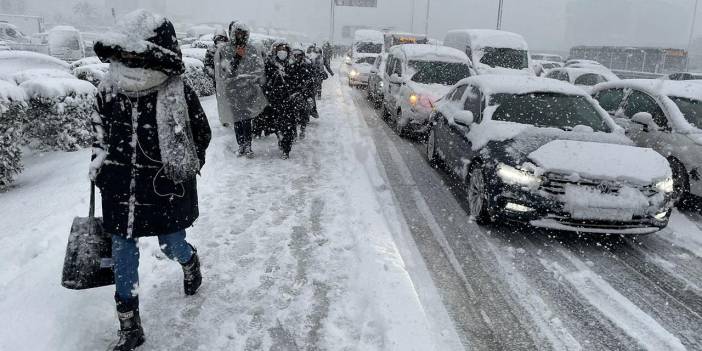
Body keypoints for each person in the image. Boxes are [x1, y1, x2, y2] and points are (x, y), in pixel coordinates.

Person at [91, 10, 211, 351]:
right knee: (123, 254)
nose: (130, 61)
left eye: (136, 55)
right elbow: (98, 133)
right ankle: (129, 326)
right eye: (125, 55)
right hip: (120, 189)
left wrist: (182, 167)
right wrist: (100, 166)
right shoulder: (109, 89)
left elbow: (200, 134)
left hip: (164, 188)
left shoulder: (176, 91)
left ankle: (189, 261)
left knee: (170, 244)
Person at [214, 22, 268, 158]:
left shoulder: (252, 49)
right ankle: (241, 145)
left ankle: (248, 146)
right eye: (238, 33)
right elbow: (224, 71)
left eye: (243, 34)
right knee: (237, 119)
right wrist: (237, 58)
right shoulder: (225, 50)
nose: (240, 36)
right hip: (232, 91)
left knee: (246, 119)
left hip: (248, 90)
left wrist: (250, 78)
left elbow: (259, 69)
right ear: (233, 34)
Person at [263, 41, 295, 159]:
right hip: (274, 99)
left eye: (284, 49)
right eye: (280, 49)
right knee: (277, 124)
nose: (282, 51)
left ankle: (286, 148)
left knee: (289, 125)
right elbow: (265, 80)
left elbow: (296, 81)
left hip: (289, 100)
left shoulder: (292, 64)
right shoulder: (270, 63)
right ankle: (280, 138)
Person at [288, 48, 315, 140]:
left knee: (304, 113)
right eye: (295, 56)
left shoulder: (307, 66)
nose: (296, 57)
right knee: (292, 114)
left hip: (304, 94)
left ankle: (302, 129)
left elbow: (310, 81)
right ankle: (294, 132)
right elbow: (287, 81)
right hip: (293, 94)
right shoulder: (290, 66)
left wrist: (308, 95)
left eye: (298, 56)